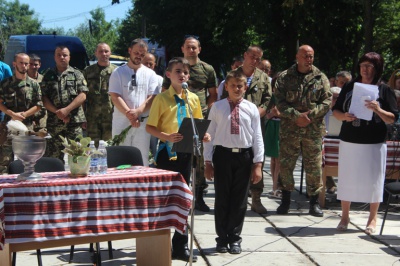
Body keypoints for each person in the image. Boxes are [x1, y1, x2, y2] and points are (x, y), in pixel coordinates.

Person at [146, 57, 210, 262]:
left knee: (184, 200)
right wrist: (166, 136)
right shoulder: (162, 99)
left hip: (186, 153)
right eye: (177, 71)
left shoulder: (193, 99)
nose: (182, 75)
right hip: (167, 153)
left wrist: (203, 135)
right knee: (165, 199)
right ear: (168, 74)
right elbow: (150, 127)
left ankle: (180, 245)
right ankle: (159, 244)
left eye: (185, 72)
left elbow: (197, 123)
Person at [333, 52, 398, 234]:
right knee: (347, 178)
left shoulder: (384, 89)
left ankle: (372, 218)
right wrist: (344, 117)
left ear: (377, 68)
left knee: (374, 180)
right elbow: (336, 111)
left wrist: (378, 109)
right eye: (362, 66)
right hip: (350, 139)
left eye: (369, 66)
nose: (365, 70)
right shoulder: (350, 86)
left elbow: (393, 118)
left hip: (374, 142)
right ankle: (345, 217)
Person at [204, 68, 264, 254]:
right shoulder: (217, 107)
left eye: (240, 86)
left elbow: (257, 137)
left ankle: (235, 238)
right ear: (226, 87)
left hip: (244, 157)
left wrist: (258, 164)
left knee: (239, 200)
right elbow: (209, 135)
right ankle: (221, 239)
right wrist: (207, 162)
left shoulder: (251, 108)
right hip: (222, 156)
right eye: (233, 86)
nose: (237, 89)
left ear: (245, 87)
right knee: (222, 198)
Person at [274, 44, 331, 217]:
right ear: (297, 57)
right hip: (290, 129)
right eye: (305, 56)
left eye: (311, 56)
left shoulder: (320, 78)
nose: (309, 59)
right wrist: (295, 116)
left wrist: (310, 116)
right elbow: (279, 101)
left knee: (313, 166)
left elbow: (327, 101)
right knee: (286, 165)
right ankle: (285, 201)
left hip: (312, 130)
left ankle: (314, 203)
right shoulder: (285, 77)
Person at [162, 35, 218, 212]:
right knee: (178, 156)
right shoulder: (175, 67)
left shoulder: (207, 69)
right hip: (177, 117)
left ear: (199, 49)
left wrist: (204, 111)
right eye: (188, 47)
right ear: (183, 49)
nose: (191, 50)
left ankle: (199, 196)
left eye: (194, 47)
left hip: (197, 117)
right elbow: (165, 91)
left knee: (199, 159)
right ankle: (176, 195)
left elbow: (213, 93)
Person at [222, 45, 272, 214]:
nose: (255, 61)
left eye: (258, 58)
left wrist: (258, 113)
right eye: (252, 57)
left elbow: (268, 100)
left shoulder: (263, 78)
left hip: (255, 122)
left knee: (258, 157)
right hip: (234, 122)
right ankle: (233, 196)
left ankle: (256, 198)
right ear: (245, 55)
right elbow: (224, 98)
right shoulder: (234, 75)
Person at [109, 39, 159, 166]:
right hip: (122, 121)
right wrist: (129, 114)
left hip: (142, 122)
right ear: (130, 51)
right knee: (120, 158)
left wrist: (138, 112)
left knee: (141, 157)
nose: (139, 56)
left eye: (142, 54)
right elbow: (115, 96)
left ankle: (141, 185)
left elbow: (152, 97)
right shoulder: (118, 72)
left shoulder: (150, 74)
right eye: (136, 52)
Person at [41, 46, 88, 161]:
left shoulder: (77, 74)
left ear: (69, 57)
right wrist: (58, 112)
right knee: (53, 156)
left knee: (78, 154)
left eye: (65, 55)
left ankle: (78, 177)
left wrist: (67, 110)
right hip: (54, 122)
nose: (62, 57)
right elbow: (43, 97)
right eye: (59, 55)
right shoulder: (47, 75)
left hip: (74, 121)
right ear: (54, 57)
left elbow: (83, 95)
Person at [0, 53, 42, 173]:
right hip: (8, 126)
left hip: (27, 126)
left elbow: (38, 105)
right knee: (4, 162)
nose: (24, 66)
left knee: (28, 161)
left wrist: (24, 115)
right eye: (21, 63)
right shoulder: (5, 84)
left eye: (26, 64)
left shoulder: (34, 84)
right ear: (14, 64)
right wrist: (12, 114)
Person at [83, 43, 117, 145]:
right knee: (93, 147)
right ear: (96, 54)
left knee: (110, 146)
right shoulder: (88, 71)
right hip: (92, 117)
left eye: (106, 51)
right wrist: (83, 117)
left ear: (110, 53)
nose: (104, 54)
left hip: (111, 116)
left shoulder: (117, 71)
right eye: (101, 51)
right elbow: (82, 95)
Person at [142, 52, 163, 161]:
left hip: (155, 119)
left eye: (151, 64)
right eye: (146, 63)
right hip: (141, 118)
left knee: (155, 148)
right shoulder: (137, 78)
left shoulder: (160, 79)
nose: (149, 66)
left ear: (154, 65)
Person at [264, 74, 281, 198]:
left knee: (279, 158)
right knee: (273, 159)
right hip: (271, 126)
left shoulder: (286, 97)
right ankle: (274, 187)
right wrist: (271, 113)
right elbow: (265, 113)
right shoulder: (271, 97)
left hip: (281, 126)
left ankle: (276, 187)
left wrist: (278, 114)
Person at [27, 54, 47, 131]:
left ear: (40, 65)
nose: (33, 67)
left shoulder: (44, 80)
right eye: (30, 64)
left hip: (41, 118)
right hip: (26, 117)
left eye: (36, 65)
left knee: (41, 141)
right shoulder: (22, 80)